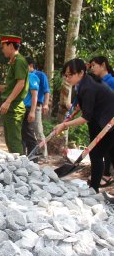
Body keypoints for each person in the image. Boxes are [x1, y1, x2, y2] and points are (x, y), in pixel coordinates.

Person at [53, 59, 114, 193]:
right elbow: (87, 107)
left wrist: (64, 125)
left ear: (81, 73)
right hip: (98, 120)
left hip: (109, 122)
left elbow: (85, 117)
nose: (68, 78)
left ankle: (93, 189)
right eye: (66, 75)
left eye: (70, 75)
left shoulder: (88, 86)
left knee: (97, 154)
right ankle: (94, 188)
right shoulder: (81, 84)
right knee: (107, 152)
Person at [0, 35, 29, 154]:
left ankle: (20, 168)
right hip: (11, 106)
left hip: (14, 106)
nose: (2, 50)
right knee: (10, 140)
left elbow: (20, 84)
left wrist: (8, 101)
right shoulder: (14, 62)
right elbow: (11, 86)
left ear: (10, 46)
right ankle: (16, 167)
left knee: (14, 140)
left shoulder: (19, 61)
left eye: (3, 47)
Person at [90, 56, 114, 186]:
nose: (92, 68)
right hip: (100, 122)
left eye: (94, 65)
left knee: (98, 153)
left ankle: (96, 185)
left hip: (109, 124)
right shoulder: (96, 82)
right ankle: (99, 180)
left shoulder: (111, 81)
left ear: (103, 65)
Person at [26, 57, 50, 159]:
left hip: (36, 107)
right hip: (25, 107)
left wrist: (46, 104)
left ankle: (44, 155)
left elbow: (47, 91)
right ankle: (30, 153)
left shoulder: (40, 75)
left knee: (38, 130)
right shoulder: (24, 76)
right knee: (27, 131)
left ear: (31, 65)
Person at [21, 71, 39, 156]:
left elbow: (34, 95)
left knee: (29, 134)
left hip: (27, 109)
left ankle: (33, 158)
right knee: (21, 135)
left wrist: (32, 111)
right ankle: (23, 157)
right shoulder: (20, 76)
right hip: (19, 109)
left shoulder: (31, 77)